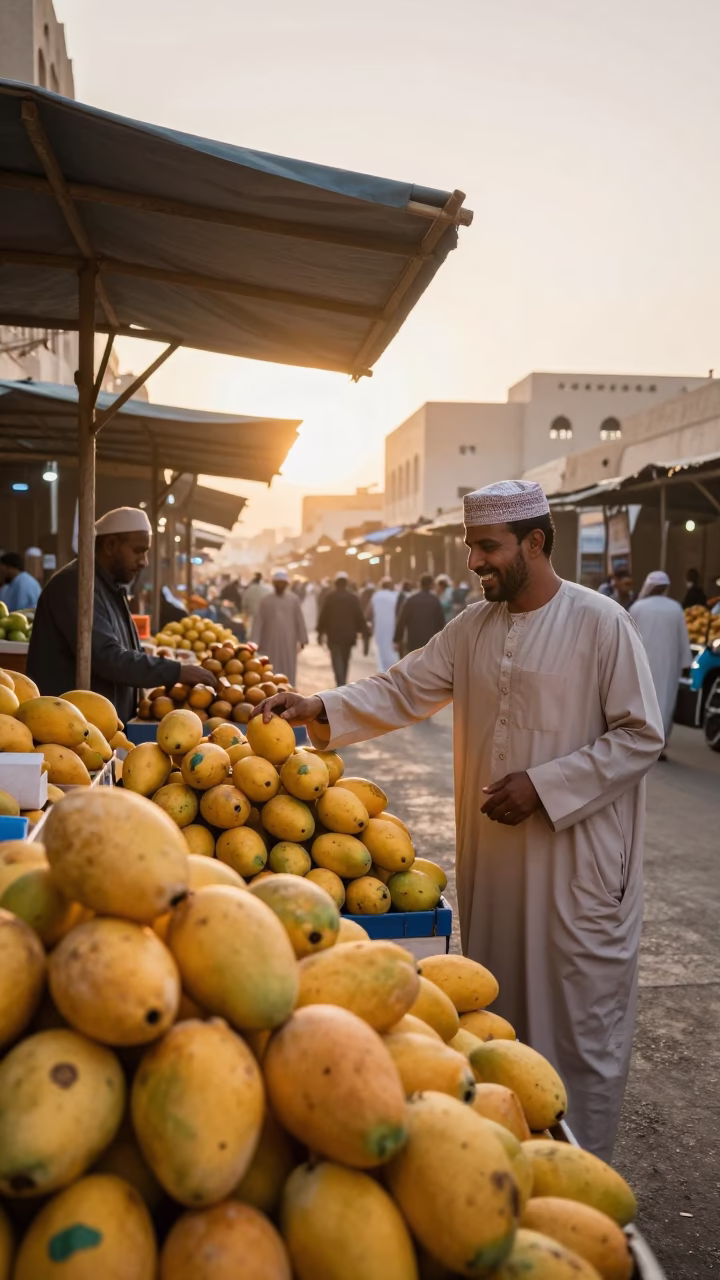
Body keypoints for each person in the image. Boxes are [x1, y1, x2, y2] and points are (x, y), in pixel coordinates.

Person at [255, 480, 664, 1158]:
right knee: (495, 1022)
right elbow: (402, 686)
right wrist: (318, 707)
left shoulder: (600, 622)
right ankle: (511, 1160)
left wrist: (543, 783)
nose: (473, 562)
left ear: (536, 542)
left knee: (576, 1034)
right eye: (471, 547)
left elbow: (641, 735)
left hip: (577, 872)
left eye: (487, 547)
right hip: (497, 865)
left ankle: (580, 1178)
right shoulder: (473, 627)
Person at [27, 508, 216, 724]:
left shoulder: (109, 588)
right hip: (68, 727)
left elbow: (124, 653)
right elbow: (106, 658)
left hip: (97, 726)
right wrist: (175, 671)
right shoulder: (77, 585)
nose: (144, 562)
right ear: (110, 545)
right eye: (138, 551)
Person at [630, 571, 692, 755]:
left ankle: (641, 740)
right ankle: (659, 742)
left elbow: (628, 636)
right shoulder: (675, 608)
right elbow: (683, 639)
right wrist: (685, 663)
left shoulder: (638, 607)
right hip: (668, 664)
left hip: (642, 662)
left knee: (642, 700)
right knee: (664, 700)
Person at [251, 569, 308, 685]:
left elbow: (299, 620)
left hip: (289, 641)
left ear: (286, 584)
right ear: (274, 584)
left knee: (289, 668)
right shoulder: (265, 601)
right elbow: (258, 622)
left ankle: (289, 690)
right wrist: (254, 641)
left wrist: (302, 639)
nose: (280, 586)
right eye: (278, 583)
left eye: (282, 583)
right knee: (270, 668)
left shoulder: (293, 600)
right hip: (269, 641)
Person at [317, 570, 369, 687]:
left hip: (334, 635)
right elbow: (359, 617)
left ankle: (340, 682)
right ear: (346, 583)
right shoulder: (353, 598)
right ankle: (342, 681)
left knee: (336, 659)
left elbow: (323, 616)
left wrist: (320, 633)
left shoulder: (330, 598)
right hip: (348, 635)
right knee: (345, 659)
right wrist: (364, 632)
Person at [394, 573, 446, 657]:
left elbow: (401, 621)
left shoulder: (411, 600)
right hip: (430, 640)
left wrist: (396, 640)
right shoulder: (435, 601)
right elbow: (440, 623)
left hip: (413, 640)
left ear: (419, 584)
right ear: (432, 585)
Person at [366, 578, 399, 671]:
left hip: (379, 626)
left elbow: (369, 612)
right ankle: (391, 668)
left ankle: (382, 669)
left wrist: (370, 624)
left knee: (381, 649)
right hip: (391, 626)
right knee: (390, 648)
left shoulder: (376, 596)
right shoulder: (394, 596)